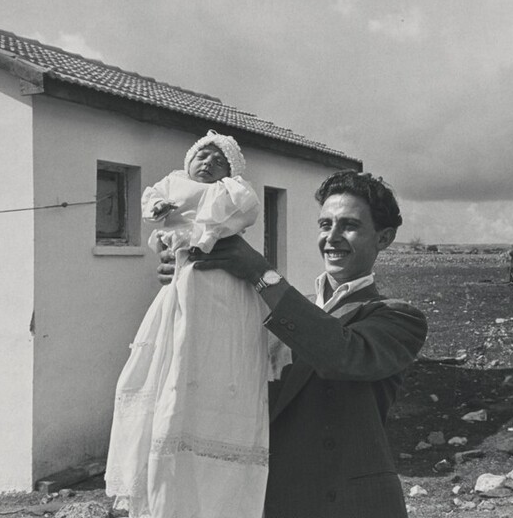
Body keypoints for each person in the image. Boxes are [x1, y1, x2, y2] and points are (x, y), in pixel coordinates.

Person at [156, 170, 428, 517]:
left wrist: (261, 272)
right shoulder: (288, 305)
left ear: (384, 238)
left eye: (350, 225)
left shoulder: (397, 318)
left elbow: (339, 354)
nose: (332, 237)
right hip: (277, 500)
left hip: (352, 505)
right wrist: (186, 276)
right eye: (325, 224)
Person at [105, 130, 289, 518]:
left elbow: (245, 210)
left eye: (218, 160)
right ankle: (166, 487)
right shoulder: (173, 183)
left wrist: (205, 231)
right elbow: (152, 206)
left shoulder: (230, 189)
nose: (207, 163)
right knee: (167, 368)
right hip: (180, 286)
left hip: (225, 284)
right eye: (201, 156)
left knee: (218, 365)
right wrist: (161, 216)